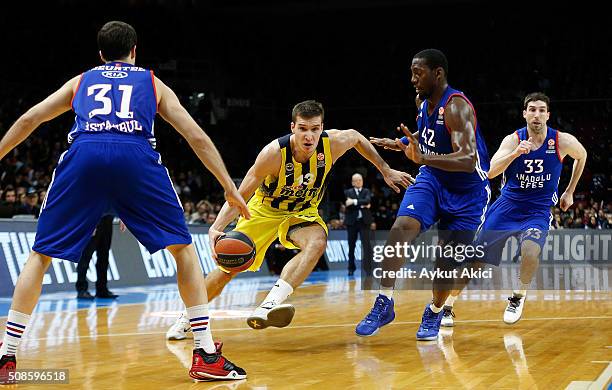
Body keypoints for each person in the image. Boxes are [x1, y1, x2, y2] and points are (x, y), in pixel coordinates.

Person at [0, 21, 250, 383]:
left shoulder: (82, 80)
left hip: (84, 154)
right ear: (135, 50)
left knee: (40, 256)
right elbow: (195, 135)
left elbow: (30, 118)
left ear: (100, 54)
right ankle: (205, 353)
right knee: (182, 249)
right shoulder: (152, 82)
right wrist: (228, 185)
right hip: (135, 158)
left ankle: (6, 358)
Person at [166, 100, 413, 340]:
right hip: (264, 210)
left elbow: (357, 137)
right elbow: (242, 193)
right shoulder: (273, 154)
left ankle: (270, 304)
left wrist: (385, 169)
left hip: (303, 211)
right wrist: (217, 227)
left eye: (315, 129)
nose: (309, 136)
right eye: (303, 129)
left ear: (322, 128)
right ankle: (189, 316)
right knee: (227, 269)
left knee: (317, 242)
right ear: (293, 127)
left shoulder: (333, 143)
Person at [356, 48, 490, 341]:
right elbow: (427, 135)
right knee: (401, 228)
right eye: (412, 73)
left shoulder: (457, 107)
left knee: (446, 264)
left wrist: (422, 159)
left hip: (469, 193)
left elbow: (467, 159)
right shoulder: (422, 102)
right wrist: (401, 143)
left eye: (418, 73)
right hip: (432, 180)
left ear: (437, 73)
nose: (413, 79)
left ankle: (435, 309)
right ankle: (384, 300)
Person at [440, 92, 587, 326]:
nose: (536, 114)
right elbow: (490, 172)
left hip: (537, 211)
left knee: (530, 251)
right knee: (475, 262)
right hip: (506, 208)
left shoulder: (561, 141)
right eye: (532, 109)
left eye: (541, 110)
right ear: (525, 114)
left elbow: (582, 156)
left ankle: (518, 297)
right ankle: (446, 307)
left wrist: (569, 191)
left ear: (548, 115)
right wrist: (516, 153)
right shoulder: (513, 139)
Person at [75, 214, 118, 299]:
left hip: (107, 219)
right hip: (93, 219)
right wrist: (89, 222)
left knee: (104, 255)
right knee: (86, 256)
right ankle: (81, 289)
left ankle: (102, 289)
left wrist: (122, 217)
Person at [344, 173, 373, 276]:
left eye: (360, 180)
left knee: (367, 246)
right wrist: (363, 205)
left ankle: (368, 269)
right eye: (356, 180)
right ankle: (351, 268)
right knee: (351, 246)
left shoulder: (366, 191)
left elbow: (368, 200)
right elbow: (347, 204)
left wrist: (354, 202)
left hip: (364, 222)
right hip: (352, 223)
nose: (358, 182)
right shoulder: (348, 192)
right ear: (352, 182)